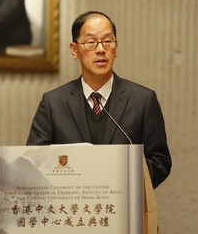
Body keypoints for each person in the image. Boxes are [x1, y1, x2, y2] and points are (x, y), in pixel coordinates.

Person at [27, 11, 172, 189]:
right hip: (70, 211)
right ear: (74, 50)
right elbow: (34, 162)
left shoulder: (143, 100)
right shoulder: (53, 103)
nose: (101, 49)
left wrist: (119, 183)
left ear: (116, 48)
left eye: (107, 41)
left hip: (124, 210)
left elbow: (160, 161)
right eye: (91, 42)